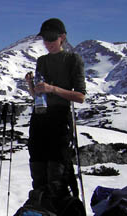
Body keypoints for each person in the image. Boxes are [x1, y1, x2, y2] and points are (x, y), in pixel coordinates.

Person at [24, 18, 86, 204]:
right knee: (37, 164)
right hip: (40, 117)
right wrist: (30, 85)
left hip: (59, 118)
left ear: (62, 38)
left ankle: (57, 209)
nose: (48, 43)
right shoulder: (42, 61)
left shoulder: (73, 60)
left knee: (56, 167)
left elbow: (80, 96)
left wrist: (53, 89)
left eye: (52, 38)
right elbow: (37, 96)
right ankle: (41, 210)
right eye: (45, 38)